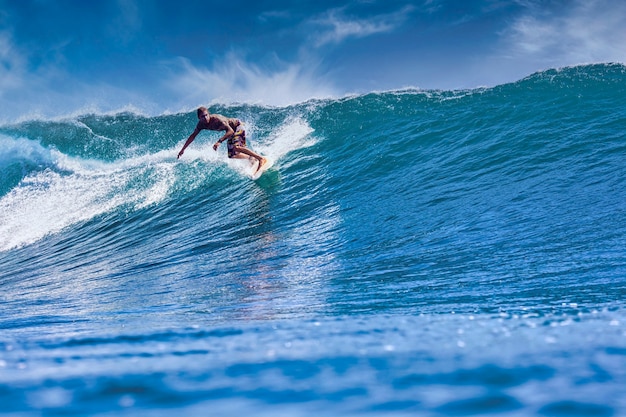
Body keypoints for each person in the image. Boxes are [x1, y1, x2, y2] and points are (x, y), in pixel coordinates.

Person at [177, 107, 267, 173]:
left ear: (209, 114)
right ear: (199, 118)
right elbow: (193, 136)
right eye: (202, 117)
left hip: (237, 126)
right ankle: (251, 158)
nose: (205, 118)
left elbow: (230, 131)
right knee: (231, 155)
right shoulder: (201, 124)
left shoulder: (217, 119)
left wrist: (219, 141)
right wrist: (182, 150)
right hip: (231, 132)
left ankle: (260, 159)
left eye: (206, 115)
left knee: (237, 147)